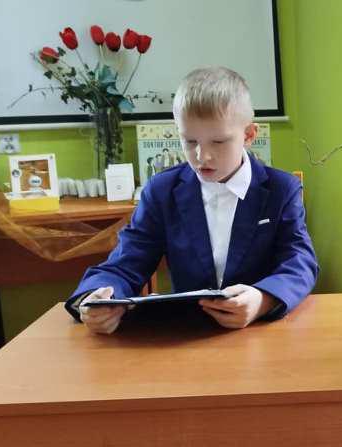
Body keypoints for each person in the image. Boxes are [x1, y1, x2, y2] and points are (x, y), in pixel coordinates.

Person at [67, 66, 318, 334]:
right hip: (189, 333)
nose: (202, 156)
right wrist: (97, 299)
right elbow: (126, 263)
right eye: (189, 141)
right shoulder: (162, 191)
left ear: (248, 135)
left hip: (262, 333)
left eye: (218, 142)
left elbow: (299, 262)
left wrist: (263, 300)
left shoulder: (282, 189)